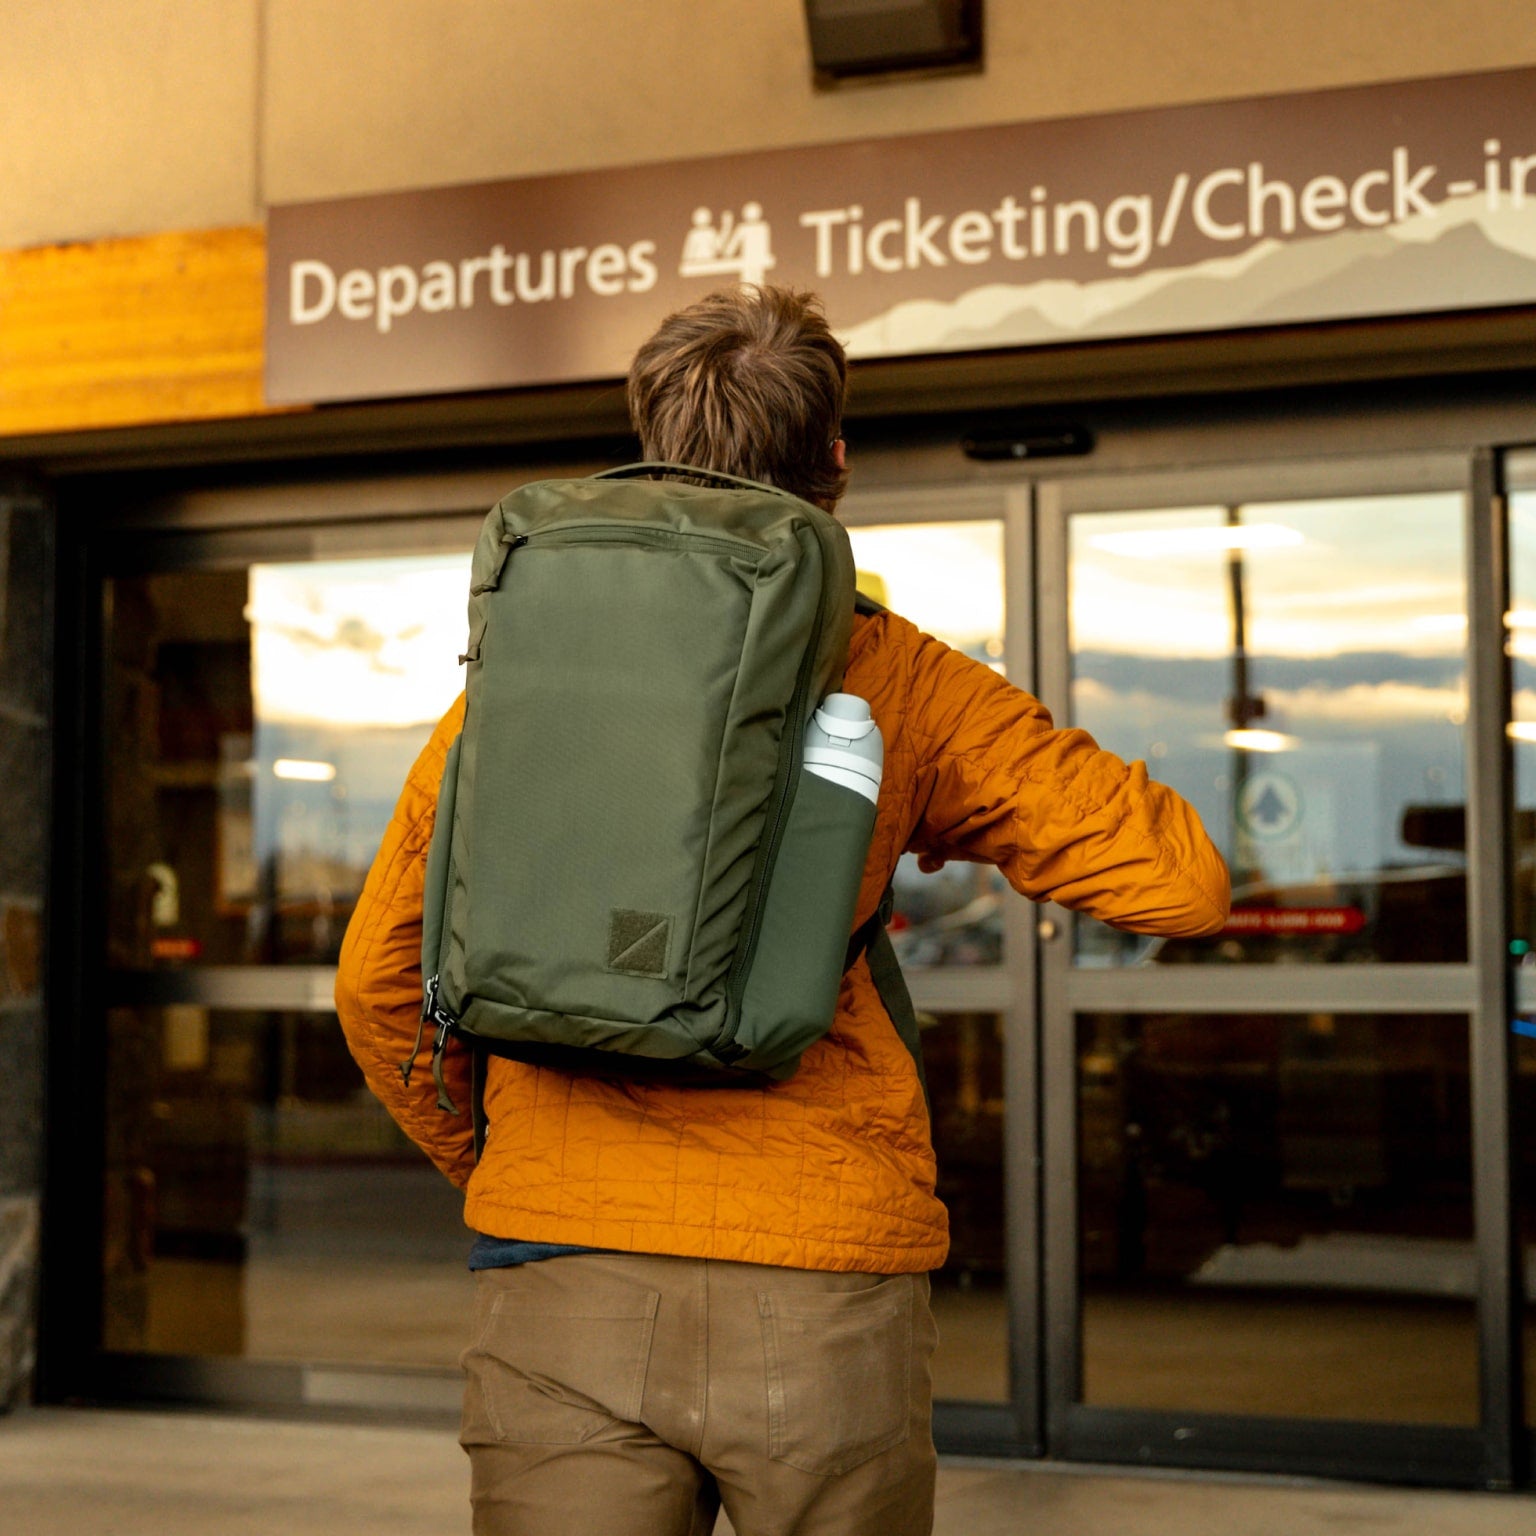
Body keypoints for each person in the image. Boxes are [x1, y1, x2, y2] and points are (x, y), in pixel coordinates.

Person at [335, 284, 1229, 1536]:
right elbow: (1178, 883)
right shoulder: (902, 678)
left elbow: (378, 987)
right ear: (836, 465)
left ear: (646, 434)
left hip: (559, 1276)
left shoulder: (508, 693)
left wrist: (512, 1166)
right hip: (819, 1281)